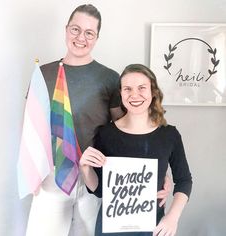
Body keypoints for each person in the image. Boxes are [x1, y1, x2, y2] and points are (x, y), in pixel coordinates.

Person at [25, 5, 171, 236]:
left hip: (94, 176)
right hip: (52, 177)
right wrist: (30, 172)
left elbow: (131, 130)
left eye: (89, 32)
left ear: (96, 37)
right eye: (75, 29)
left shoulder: (109, 78)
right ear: (66, 29)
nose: (81, 37)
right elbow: (31, 127)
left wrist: (160, 173)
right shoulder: (44, 74)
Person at [80, 64, 192, 236]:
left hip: (153, 228)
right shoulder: (105, 133)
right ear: (121, 94)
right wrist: (85, 169)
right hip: (110, 229)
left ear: (153, 92)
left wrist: (172, 217)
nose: (134, 94)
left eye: (142, 88)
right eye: (127, 89)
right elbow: (100, 190)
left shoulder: (169, 135)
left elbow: (184, 180)